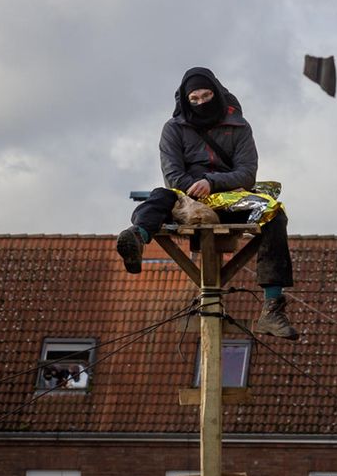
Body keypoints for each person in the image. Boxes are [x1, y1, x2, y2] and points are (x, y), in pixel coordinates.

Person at [116, 67, 298, 340]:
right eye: (195, 99)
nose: (201, 103)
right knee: (160, 197)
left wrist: (213, 183)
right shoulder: (173, 129)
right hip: (186, 198)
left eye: (206, 95)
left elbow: (247, 173)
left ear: (217, 93)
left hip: (230, 196)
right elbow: (172, 175)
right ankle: (137, 238)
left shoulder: (239, 126)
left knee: (274, 214)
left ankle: (272, 309)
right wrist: (194, 188)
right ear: (186, 100)